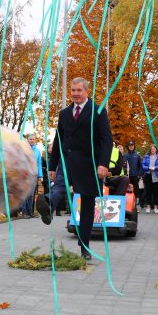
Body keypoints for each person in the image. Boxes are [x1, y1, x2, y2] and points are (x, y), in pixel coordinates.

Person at [39, 77, 113, 261]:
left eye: (79, 90)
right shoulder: (64, 114)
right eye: (73, 90)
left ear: (86, 91)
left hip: (90, 165)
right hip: (67, 159)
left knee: (87, 207)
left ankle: (84, 247)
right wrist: (53, 165)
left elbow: (106, 139)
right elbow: (58, 140)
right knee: (59, 186)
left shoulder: (98, 111)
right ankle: (47, 205)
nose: (75, 94)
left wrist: (103, 163)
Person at [20, 133, 44, 218]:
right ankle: (24, 212)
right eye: (30, 139)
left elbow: (39, 163)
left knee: (31, 194)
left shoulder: (37, 150)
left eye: (33, 139)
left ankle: (30, 212)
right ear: (27, 140)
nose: (32, 140)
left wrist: (40, 175)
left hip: (34, 174)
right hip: (25, 174)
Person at [141, 145, 158, 213]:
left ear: (156, 150)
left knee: (156, 192)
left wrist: (155, 168)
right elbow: (143, 165)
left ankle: (156, 207)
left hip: (157, 176)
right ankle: (148, 206)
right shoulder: (146, 156)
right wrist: (148, 167)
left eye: (154, 149)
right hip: (148, 175)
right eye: (152, 149)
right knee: (148, 191)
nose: (153, 150)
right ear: (150, 150)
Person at [122, 141, 143, 206]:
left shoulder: (137, 155)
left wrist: (139, 175)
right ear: (128, 147)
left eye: (132, 145)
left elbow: (140, 166)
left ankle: (135, 204)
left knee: (135, 190)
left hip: (135, 176)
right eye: (130, 145)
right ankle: (127, 204)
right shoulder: (125, 155)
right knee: (126, 189)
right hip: (127, 176)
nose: (131, 147)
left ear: (134, 146)